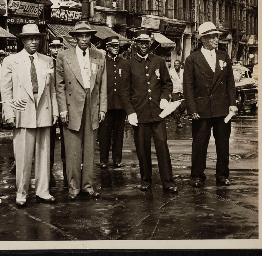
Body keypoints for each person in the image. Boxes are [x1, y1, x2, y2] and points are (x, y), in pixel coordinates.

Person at [1, 24, 58, 206]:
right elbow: (6, 90)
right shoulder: (11, 61)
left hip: (44, 111)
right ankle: (21, 193)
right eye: (30, 38)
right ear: (23, 40)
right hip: (22, 112)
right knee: (23, 157)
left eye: (36, 38)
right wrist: (9, 113)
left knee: (44, 155)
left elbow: (53, 90)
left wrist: (55, 110)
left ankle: (43, 191)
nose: (34, 41)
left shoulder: (47, 61)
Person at [119, 29, 177, 193]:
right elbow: (125, 91)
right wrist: (130, 111)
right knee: (142, 149)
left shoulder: (158, 61)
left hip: (158, 113)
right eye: (140, 42)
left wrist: (165, 98)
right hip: (140, 113)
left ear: (150, 44)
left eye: (146, 42)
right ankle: (146, 180)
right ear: (136, 43)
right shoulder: (128, 63)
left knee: (162, 148)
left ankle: (168, 181)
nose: (143, 45)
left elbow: (167, 84)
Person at [55, 21, 107, 200]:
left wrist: (102, 108)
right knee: (73, 149)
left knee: (90, 148)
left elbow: (103, 85)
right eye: (80, 36)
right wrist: (62, 109)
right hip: (72, 104)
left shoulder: (99, 56)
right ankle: (73, 187)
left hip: (92, 103)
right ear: (75, 38)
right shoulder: (63, 56)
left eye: (87, 36)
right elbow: (59, 85)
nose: (84, 39)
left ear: (91, 37)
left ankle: (87, 185)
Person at [183, 22, 237, 187]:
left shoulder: (223, 56)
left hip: (222, 108)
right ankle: (197, 176)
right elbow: (188, 87)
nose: (216, 39)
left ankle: (222, 175)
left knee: (223, 144)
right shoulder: (192, 59)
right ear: (203, 39)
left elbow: (230, 83)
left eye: (216, 36)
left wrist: (232, 104)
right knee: (199, 144)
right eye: (212, 36)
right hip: (201, 110)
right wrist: (192, 109)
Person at [98, 36, 126, 169]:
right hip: (106, 104)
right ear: (107, 47)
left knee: (119, 134)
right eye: (113, 45)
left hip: (120, 105)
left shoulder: (124, 63)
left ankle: (117, 159)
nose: (116, 48)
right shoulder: (102, 62)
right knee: (104, 134)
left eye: (117, 46)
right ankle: (103, 159)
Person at [48, 36, 67, 184]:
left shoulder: (66, 62)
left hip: (64, 103)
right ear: (50, 48)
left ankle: (67, 167)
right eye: (53, 47)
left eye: (58, 47)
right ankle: (48, 168)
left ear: (62, 48)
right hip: (49, 104)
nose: (56, 50)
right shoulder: (45, 63)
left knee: (66, 136)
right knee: (49, 136)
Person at [168, 59, 186, 128]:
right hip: (174, 91)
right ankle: (178, 122)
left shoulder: (183, 71)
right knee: (176, 107)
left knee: (183, 106)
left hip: (182, 91)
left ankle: (178, 118)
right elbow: (168, 82)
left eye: (177, 64)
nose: (176, 66)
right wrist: (169, 92)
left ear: (180, 65)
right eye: (175, 64)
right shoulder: (171, 72)